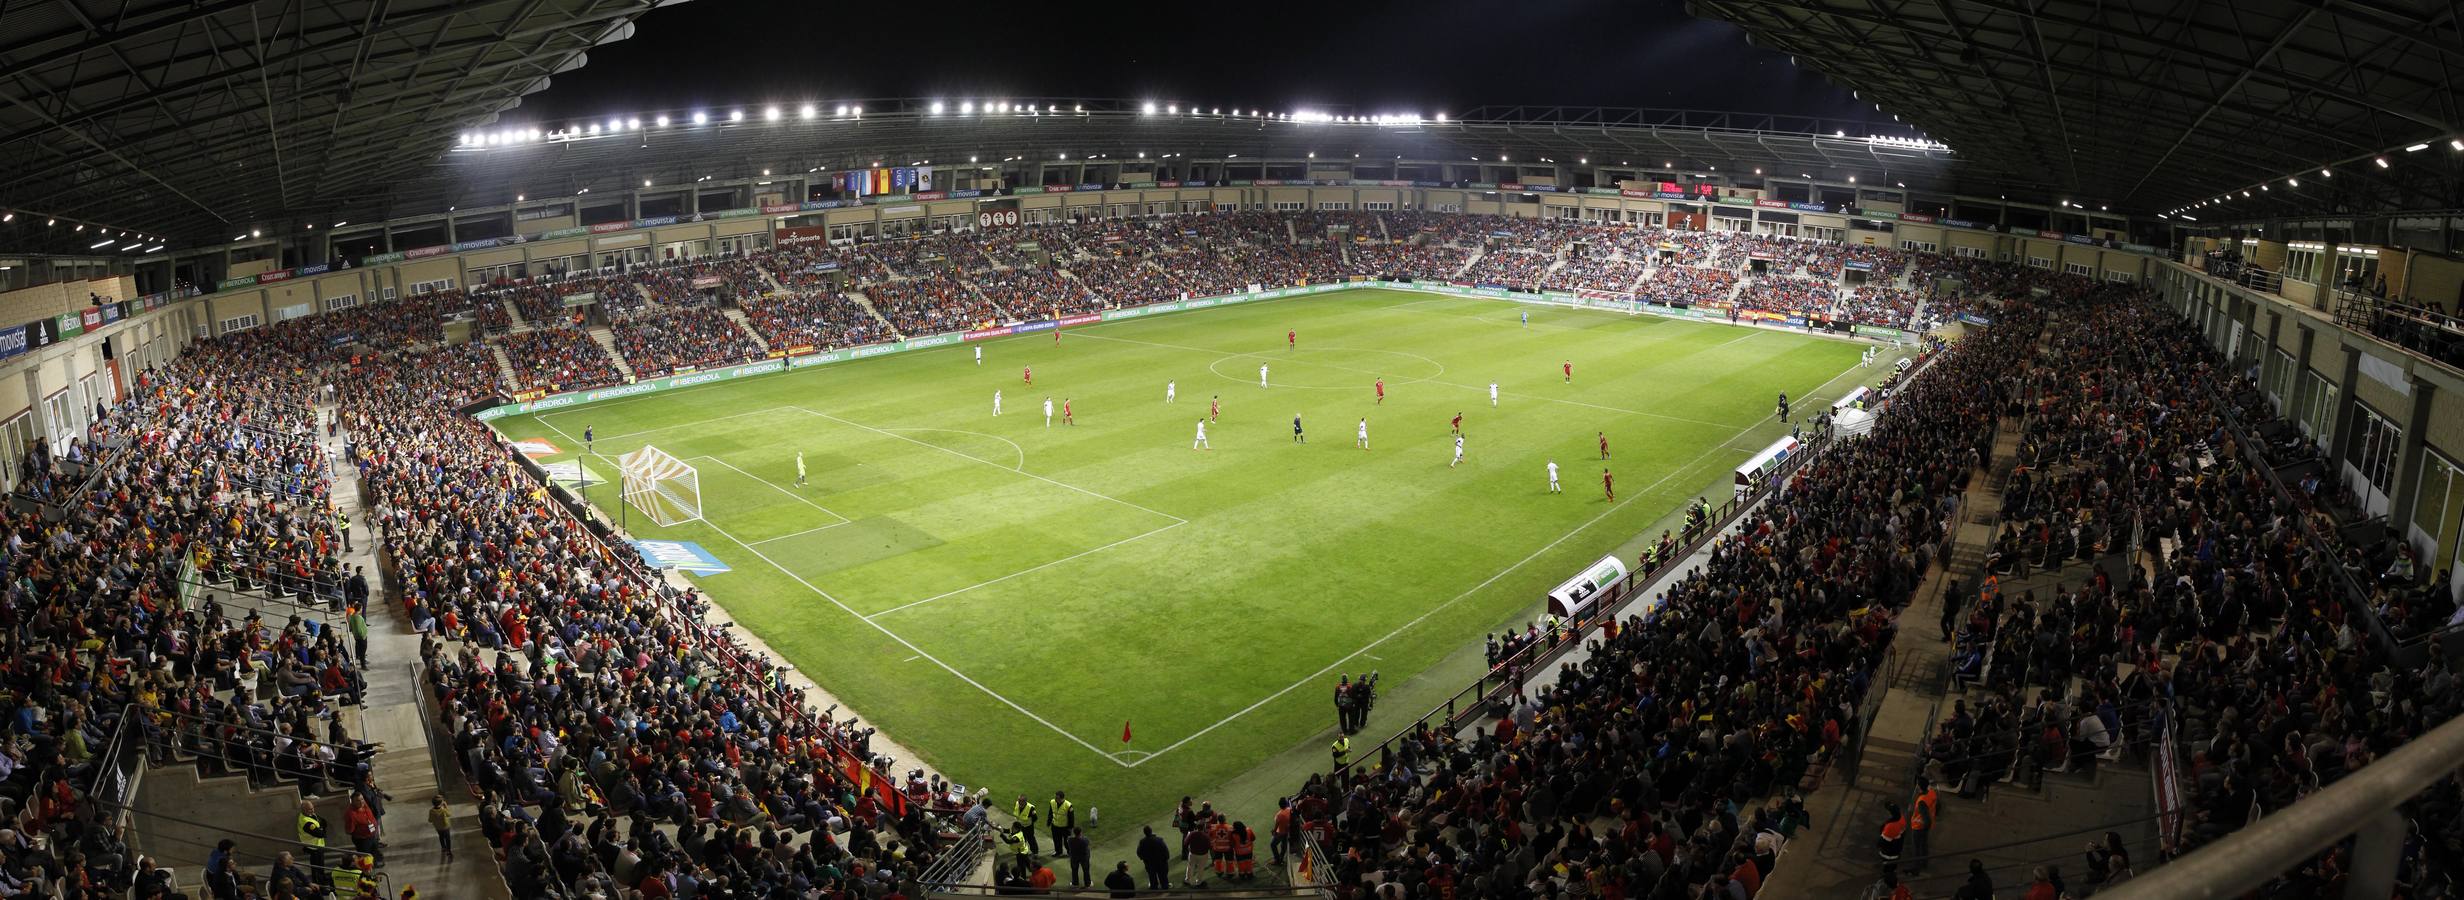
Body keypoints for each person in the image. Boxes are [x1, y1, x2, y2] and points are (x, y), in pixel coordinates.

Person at [1138, 826, 1172, 890]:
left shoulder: (1142, 842)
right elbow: (1165, 850)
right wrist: (1166, 858)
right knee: (1163, 875)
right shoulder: (1159, 839)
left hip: (1149, 863)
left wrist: (1143, 859)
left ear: (1144, 833)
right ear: (1151, 831)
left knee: (1152, 875)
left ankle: (1153, 886)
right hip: (1161, 862)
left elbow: (1139, 852)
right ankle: (1165, 886)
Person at [1050, 791, 1077, 860]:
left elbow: (1071, 818)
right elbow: (1050, 812)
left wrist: (1070, 828)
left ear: (1061, 798)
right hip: (1055, 826)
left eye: (1057, 798)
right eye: (1055, 797)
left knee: (1067, 842)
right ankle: (1058, 852)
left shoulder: (1068, 805)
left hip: (1065, 827)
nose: (1055, 799)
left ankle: (1070, 852)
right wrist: (1049, 821)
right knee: (1056, 840)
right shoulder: (1052, 802)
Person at [428, 796, 453, 863]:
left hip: (438, 827)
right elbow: (449, 814)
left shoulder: (431, 811)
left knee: (441, 836)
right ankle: (449, 851)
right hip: (445, 827)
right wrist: (446, 806)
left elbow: (430, 820)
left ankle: (443, 847)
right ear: (441, 803)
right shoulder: (443, 810)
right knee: (447, 838)